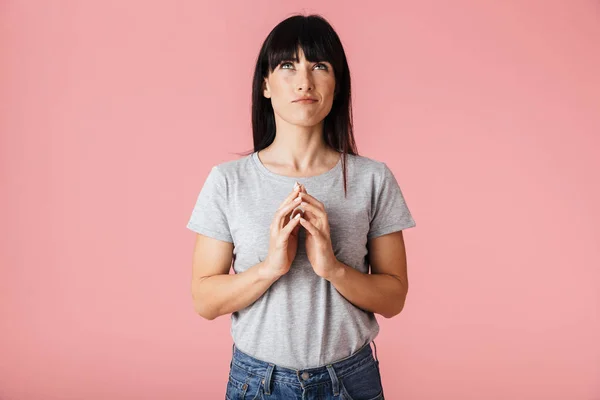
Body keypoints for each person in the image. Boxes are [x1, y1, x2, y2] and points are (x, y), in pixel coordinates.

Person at [187, 13, 416, 400]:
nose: (304, 81)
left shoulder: (373, 179)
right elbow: (205, 301)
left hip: (351, 380)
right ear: (265, 84)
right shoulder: (228, 181)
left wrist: (332, 268)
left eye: (319, 66)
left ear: (336, 85)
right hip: (257, 382)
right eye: (287, 65)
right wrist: (271, 268)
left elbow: (394, 298)